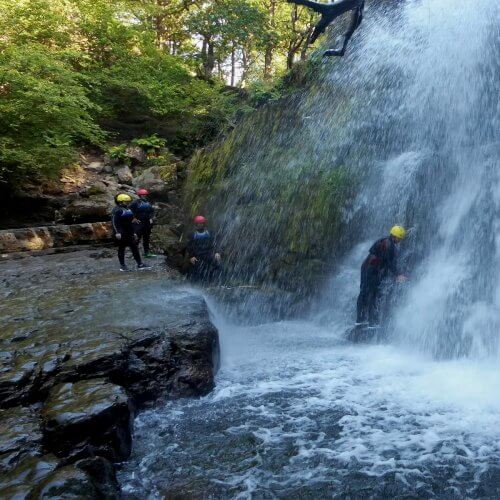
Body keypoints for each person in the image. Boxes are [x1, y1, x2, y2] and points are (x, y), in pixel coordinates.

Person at [356, 225, 408, 326]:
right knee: (370, 293)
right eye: (400, 239)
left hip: (368, 267)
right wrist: (398, 275)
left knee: (366, 292)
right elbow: (389, 263)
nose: (400, 241)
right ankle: (367, 320)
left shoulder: (384, 240)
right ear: (396, 237)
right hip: (371, 269)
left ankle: (362, 319)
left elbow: (386, 261)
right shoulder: (390, 245)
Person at [287, 0, 364, 57]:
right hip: (331, 10)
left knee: (313, 37)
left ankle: (341, 50)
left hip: (330, 10)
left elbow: (359, 16)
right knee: (313, 37)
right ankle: (341, 50)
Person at [112, 193, 149, 271]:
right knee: (122, 248)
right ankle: (122, 266)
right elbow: (114, 222)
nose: (128, 203)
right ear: (120, 202)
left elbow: (131, 220)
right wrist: (117, 232)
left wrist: (134, 232)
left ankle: (140, 264)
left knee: (134, 248)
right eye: (126, 202)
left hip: (130, 232)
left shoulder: (128, 209)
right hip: (121, 233)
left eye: (128, 202)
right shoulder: (117, 210)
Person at [186, 215, 221, 282]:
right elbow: (189, 246)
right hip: (197, 255)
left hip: (208, 254)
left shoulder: (210, 232)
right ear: (196, 224)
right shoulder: (192, 234)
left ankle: (216, 281)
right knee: (196, 268)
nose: (200, 225)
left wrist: (217, 252)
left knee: (218, 264)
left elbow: (215, 242)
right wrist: (191, 256)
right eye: (199, 223)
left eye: (202, 223)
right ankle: (196, 285)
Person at [130, 188, 156, 258]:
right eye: (142, 195)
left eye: (145, 195)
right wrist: (133, 218)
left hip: (147, 223)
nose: (144, 196)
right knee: (137, 238)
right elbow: (129, 210)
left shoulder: (148, 202)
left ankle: (146, 253)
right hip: (139, 223)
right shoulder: (135, 202)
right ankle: (134, 253)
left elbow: (152, 211)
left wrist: (151, 218)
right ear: (139, 195)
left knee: (146, 238)